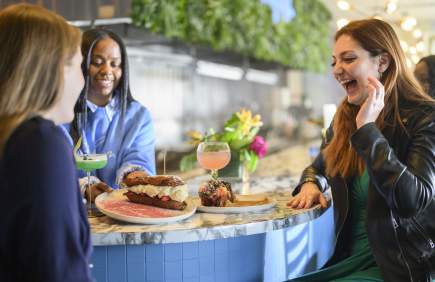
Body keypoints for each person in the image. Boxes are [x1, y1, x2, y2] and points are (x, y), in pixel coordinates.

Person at [288, 19, 435, 281]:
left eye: (348, 59)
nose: (337, 69)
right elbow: (319, 165)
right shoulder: (345, 118)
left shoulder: (425, 117)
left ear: (383, 63)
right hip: (349, 259)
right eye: (334, 61)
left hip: (403, 266)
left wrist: (367, 130)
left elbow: (411, 200)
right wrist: (311, 182)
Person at [0, 4, 93, 282]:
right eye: (79, 65)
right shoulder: (41, 144)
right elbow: (57, 272)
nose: (83, 80)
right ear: (53, 70)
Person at [62, 28, 156, 195]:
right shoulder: (62, 113)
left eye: (114, 64)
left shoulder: (138, 116)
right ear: (81, 63)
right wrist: (85, 187)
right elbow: (56, 169)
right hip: (76, 209)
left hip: (124, 211)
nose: (107, 71)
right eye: (97, 62)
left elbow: (139, 158)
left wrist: (135, 176)